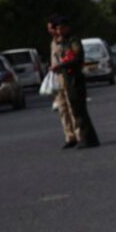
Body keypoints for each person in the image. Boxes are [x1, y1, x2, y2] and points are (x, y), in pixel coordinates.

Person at [45, 15, 100, 150]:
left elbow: (77, 57)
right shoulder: (64, 41)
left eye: (61, 28)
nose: (59, 31)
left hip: (74, 78)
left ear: (67, 28)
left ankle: (87, 138)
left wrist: (61, 65)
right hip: (67, 78)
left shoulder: (73, 40)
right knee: (75, 110)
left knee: (79, 110)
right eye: (58, 29)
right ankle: (86, 138)